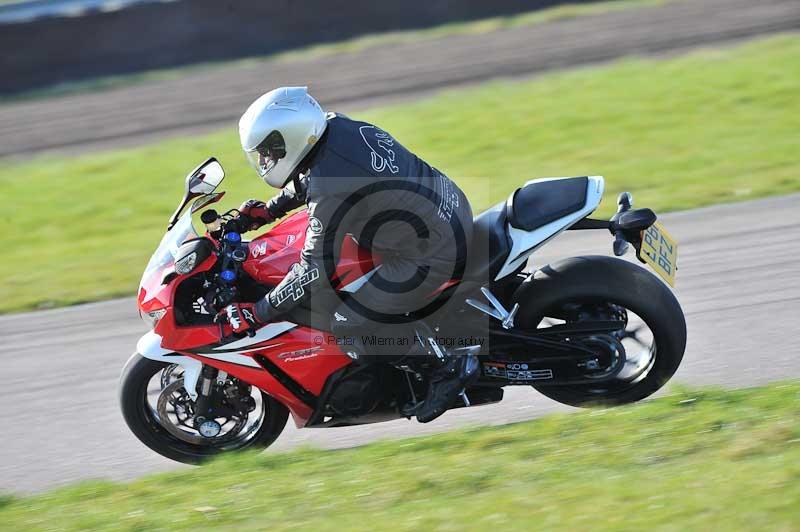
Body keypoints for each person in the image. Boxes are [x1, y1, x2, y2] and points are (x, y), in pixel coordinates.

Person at [224, 86, 478, 423]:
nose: (265, 160)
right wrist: (268, 212)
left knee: (348, 323)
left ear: (295, 136)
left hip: (431, 252)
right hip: (447, 209)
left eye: (270, 151)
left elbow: (313, 270)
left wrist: (259, 311)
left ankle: (447, 369)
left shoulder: (331, 185)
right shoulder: (336, 128)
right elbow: (310, 181)